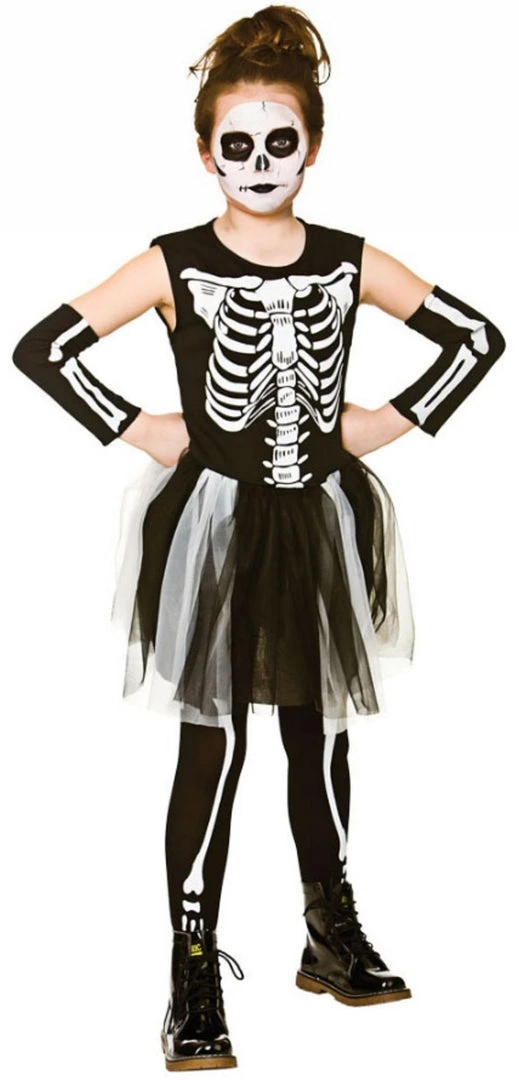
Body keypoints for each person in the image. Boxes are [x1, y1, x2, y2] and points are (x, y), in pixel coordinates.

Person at [11, 4, 506, 1072]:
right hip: (215, 526)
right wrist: (138, 425)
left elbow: (476, 338)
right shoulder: (175, 262)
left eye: (282, 141)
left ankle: (330, 931)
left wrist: (381, 423)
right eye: (237, 145)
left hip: (319, 517)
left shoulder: (348, 258)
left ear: (312, 147)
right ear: (205, 153)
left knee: (319, 733)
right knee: (219, 739)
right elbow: (43, 348)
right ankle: (191, 969)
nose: (260, 162)